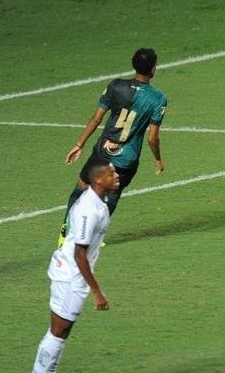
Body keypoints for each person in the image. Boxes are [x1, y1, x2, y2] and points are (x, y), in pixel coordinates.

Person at [21, 162, 120, 373]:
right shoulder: (89, 209)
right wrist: (97, 290)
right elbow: (79, 254)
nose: (116, 176)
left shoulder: (99, 202)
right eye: (111, 174)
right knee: (58, 330)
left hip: (72, 274)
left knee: (63, 330)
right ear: (98, 180)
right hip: (71, 276)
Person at [60, 47, 167, 242]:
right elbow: (152, 138)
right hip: (126, 160)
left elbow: (96, 118)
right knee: (112, 196)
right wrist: (158, 159)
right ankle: (93, 237)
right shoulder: (158, 98)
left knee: (81, 188)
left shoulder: (116, 86)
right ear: (152, 69)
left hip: (102, 153)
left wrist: (79, 144)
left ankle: (66, 231)